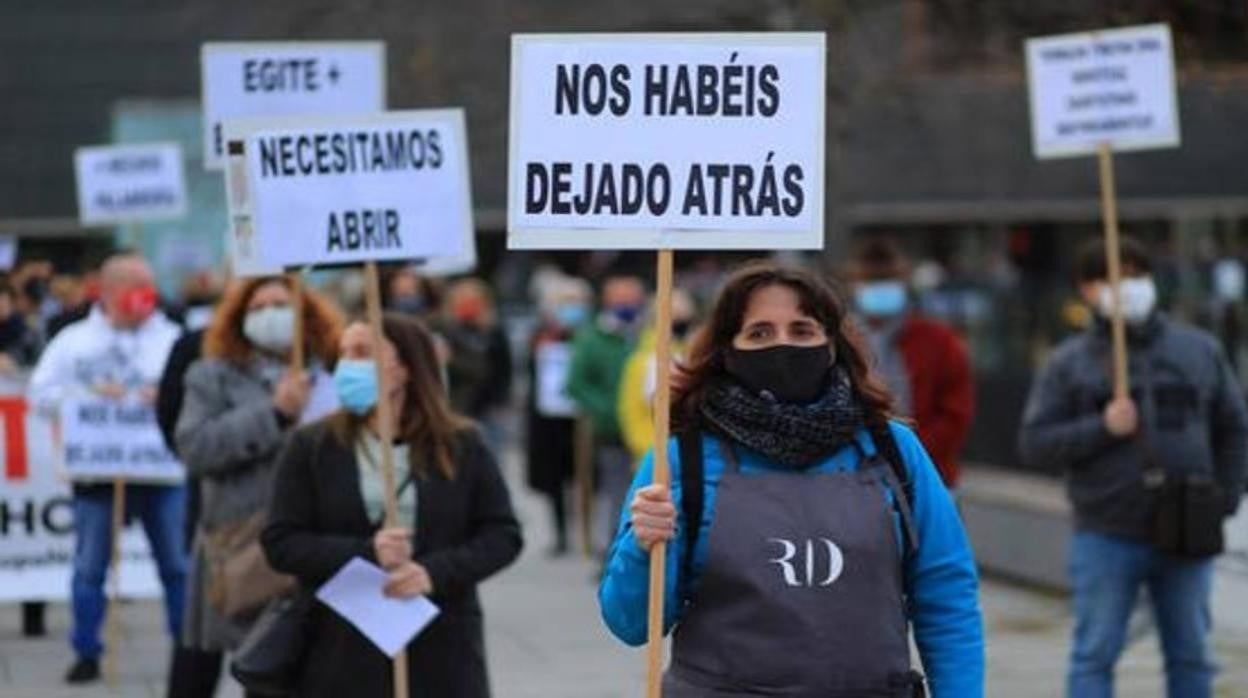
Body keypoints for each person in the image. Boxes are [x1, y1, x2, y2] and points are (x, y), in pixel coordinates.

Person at [599, 262, 983, 697]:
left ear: (832, 344)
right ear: (727, 350)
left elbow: (946, 595)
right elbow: (631, 624)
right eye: (759, 333)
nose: (782, 345)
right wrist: (643, 547)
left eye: (802, 330)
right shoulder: (680, 458)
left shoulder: (892, 448)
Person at [1019, 237, 1248, 698]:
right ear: (1088, 289)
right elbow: (1036, 444)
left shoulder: (1198, 350)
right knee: (1095, 654)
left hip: (1187, 530)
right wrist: (1102, 427)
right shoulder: (1069, 363)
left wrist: (1225, 497)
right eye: (1113, 277)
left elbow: (1233, 427)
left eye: (1137, 275)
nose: (1128, 286)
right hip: (1107, 532)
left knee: (1191, 654)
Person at [261, 313, 523, 697]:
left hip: (441, 646)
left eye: (362, 352)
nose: (347, 364)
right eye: (344, 354)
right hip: (340, 649)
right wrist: (366, 551)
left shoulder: (461, 444)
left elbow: (502, 535)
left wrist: (434, 573)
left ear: (406, 368)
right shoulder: (311, 445)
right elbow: (281, 542)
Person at [173, 276, 343, 697]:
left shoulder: (336, 372)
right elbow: (196, 447)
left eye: (280, 305)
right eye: (259, 307)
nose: (270, 315)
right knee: (264, 667)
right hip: (249, 545)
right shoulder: (211, 376)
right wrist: (274, 414)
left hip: (323, 543)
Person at [27, 252, 187, 684]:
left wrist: (164, 396)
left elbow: (195, 392)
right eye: (137, 287)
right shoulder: (73, 341)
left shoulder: (172, 338)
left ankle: (187, 649)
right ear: (111, 291)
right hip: (98, 474)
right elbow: (40, 394)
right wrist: (87, 396)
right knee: (90, 568)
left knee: (177, 565)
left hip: (161, 473)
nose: (147, 296)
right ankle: (86, 651)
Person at [848, 238, 974, 489]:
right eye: (871, 281)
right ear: (855, 285)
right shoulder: (842, 339)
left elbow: (956, 413)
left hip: (929, 475)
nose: (879, 289)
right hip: (855, 476)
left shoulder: (937, 340)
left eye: (887, 280)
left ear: (903, 282)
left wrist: (909, 452)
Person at [567, 274, 646, 552]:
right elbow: (576, 383)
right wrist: (608, 408)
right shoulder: (592, 338)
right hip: (612, 431)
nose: (627, 304)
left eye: (631, 298)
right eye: (620, 298)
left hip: (648, 431)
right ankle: (615, 552)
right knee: (618, 494)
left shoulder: (648, 333)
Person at [525, 275, 593, 555]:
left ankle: (587, 533)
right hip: (549, 420)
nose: (572, 308)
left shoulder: (591, 335)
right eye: (566, 302)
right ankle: (561, 534)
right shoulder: (541, 335)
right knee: (555, 481)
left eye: (576, 302)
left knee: (586, 478)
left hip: (583, 417)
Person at [617, 288, 698, 466]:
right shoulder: (643, 361)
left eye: (684, 317)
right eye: (675, 317)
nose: (681, 323)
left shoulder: (693, 357)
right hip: (653, 457)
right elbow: (630, 413)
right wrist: (651, 450)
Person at [436, 278, 513, 445]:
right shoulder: (445, 331)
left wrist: (501, 399)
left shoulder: (493, 332)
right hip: (456, 404)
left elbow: (504, 368)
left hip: (487, 405)